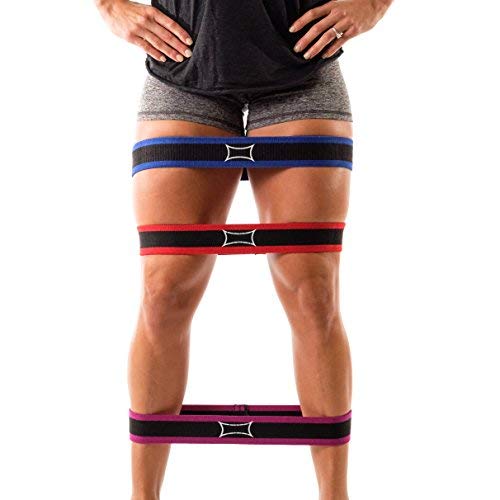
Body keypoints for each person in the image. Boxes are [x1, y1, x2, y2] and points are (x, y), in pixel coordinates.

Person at [95, 0, 392, 498]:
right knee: (163, 293)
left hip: (301, 71)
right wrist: (107, 6)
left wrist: (376, 3)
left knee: (313, 293)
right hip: (182, 72)